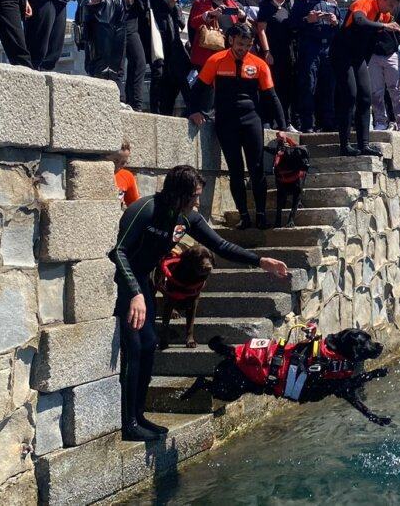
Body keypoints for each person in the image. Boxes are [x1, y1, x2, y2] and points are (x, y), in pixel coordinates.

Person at [111, 165, 290, 441]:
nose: (197, 201)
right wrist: (134, 292)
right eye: (194, 195)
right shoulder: (144, 210)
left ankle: (139, 415)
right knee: (135, 348)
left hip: (142, 283)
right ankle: (129, 424)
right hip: (125, 284)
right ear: (179, 193)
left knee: (148, 345)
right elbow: (119, 252)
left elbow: (221, 246)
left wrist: (260, 261)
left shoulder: (187, 218)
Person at [188, 24, 286, 230]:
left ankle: (261, 216)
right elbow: (197, 89)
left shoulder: (259, 64)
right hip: (226, 122)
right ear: (231, 40)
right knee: (236, 170)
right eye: (241, 44)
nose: (244, 49)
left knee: (257, 169)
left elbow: (271, 96)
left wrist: (282, 127)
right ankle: (244, 216)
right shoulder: (216, 60)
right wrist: (194, 110)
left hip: (252, 120)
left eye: (248, 45)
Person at [332, 0, 400, 156]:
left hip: (359, 58)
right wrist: (384, 26)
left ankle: (364, 144)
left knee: (365, 97)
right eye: (390, 5)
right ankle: (344, 145)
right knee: (350, 95)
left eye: (394, 7)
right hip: (341, 53)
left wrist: (366, 60)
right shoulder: (365, 3)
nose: (391, 9)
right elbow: (359, 21)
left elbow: (372, 41)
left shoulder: (384, 16)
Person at [288, 0, 339, 133]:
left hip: (328, 47)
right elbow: (292, 24)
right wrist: (307, 19)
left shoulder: (332, 1)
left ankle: (328, 123)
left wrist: (335, 21)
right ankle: (308, 124)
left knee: (329, 86)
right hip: (310, 46)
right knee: (308, 85)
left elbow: (340, 27)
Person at [146, 0, 191, 114]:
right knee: (159, 72)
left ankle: (173, 109)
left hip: (172, 37)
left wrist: (172, 3)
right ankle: (157, 111)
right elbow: (144, 8)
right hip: (156, 34)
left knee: (179, 71)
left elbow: (181, 21)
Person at [255, 0, 297, 131]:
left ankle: (286, 121)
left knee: (287, 87)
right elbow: (261, 31)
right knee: (270, 86)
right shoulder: (266, 8)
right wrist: (267, 52)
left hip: (287, 53)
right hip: (272, 52)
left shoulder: (286, 9)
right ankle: (267, 120)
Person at [187, 0, 238, 70]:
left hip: (227, 53)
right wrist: (210, 14)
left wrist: (242, 18)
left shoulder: (232, 4)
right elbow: (193, 23)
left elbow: (237, 27)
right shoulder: (201, 2)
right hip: (206, 53)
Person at [120, 0, 149, 109]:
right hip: (119, 23)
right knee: (118, 66)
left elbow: (140, 6)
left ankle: (136, 103)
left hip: (133, 26)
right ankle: (121, 99)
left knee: (139, 62)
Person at [370, 15, 400, 132]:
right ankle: (380, 122)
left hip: (392, 53)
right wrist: (383, 26)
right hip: (373, 54)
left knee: (397, 90)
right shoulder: (372, 7)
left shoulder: (398, 8)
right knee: (376, 91)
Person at [113, 141, 140, 208]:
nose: (118, 166)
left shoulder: (127, 176)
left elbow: (135, 206)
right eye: (115, 161)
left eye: (123, 163)